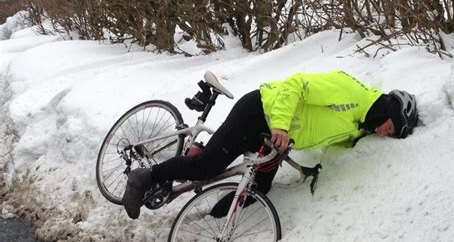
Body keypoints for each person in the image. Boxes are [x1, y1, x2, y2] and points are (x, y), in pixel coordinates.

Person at [122, 69, 419, 219]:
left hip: (274, 140)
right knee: (205, 167)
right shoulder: (350, 90)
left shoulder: (360, 125)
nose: (383, 134)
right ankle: (144, 178)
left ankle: (209, 217)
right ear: (388, 110)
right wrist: (280, 124)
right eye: (389, 128)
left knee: (260, 187)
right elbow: (295, 85)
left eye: (389, 135)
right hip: (259, 112)